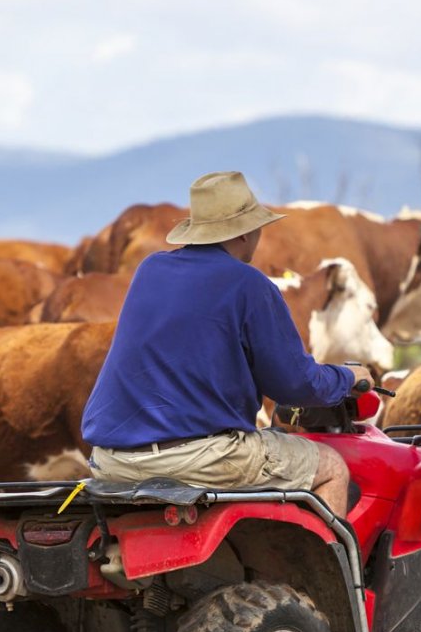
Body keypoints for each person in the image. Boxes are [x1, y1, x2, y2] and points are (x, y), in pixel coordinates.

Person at [82, 171, 371, 517]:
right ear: (248, 232)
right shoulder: (249, 284)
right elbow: (295, 385)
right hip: (198, 460)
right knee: (332, 468)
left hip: (113, 460)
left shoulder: (151, 269)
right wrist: (348, 377)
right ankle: (331, 570)